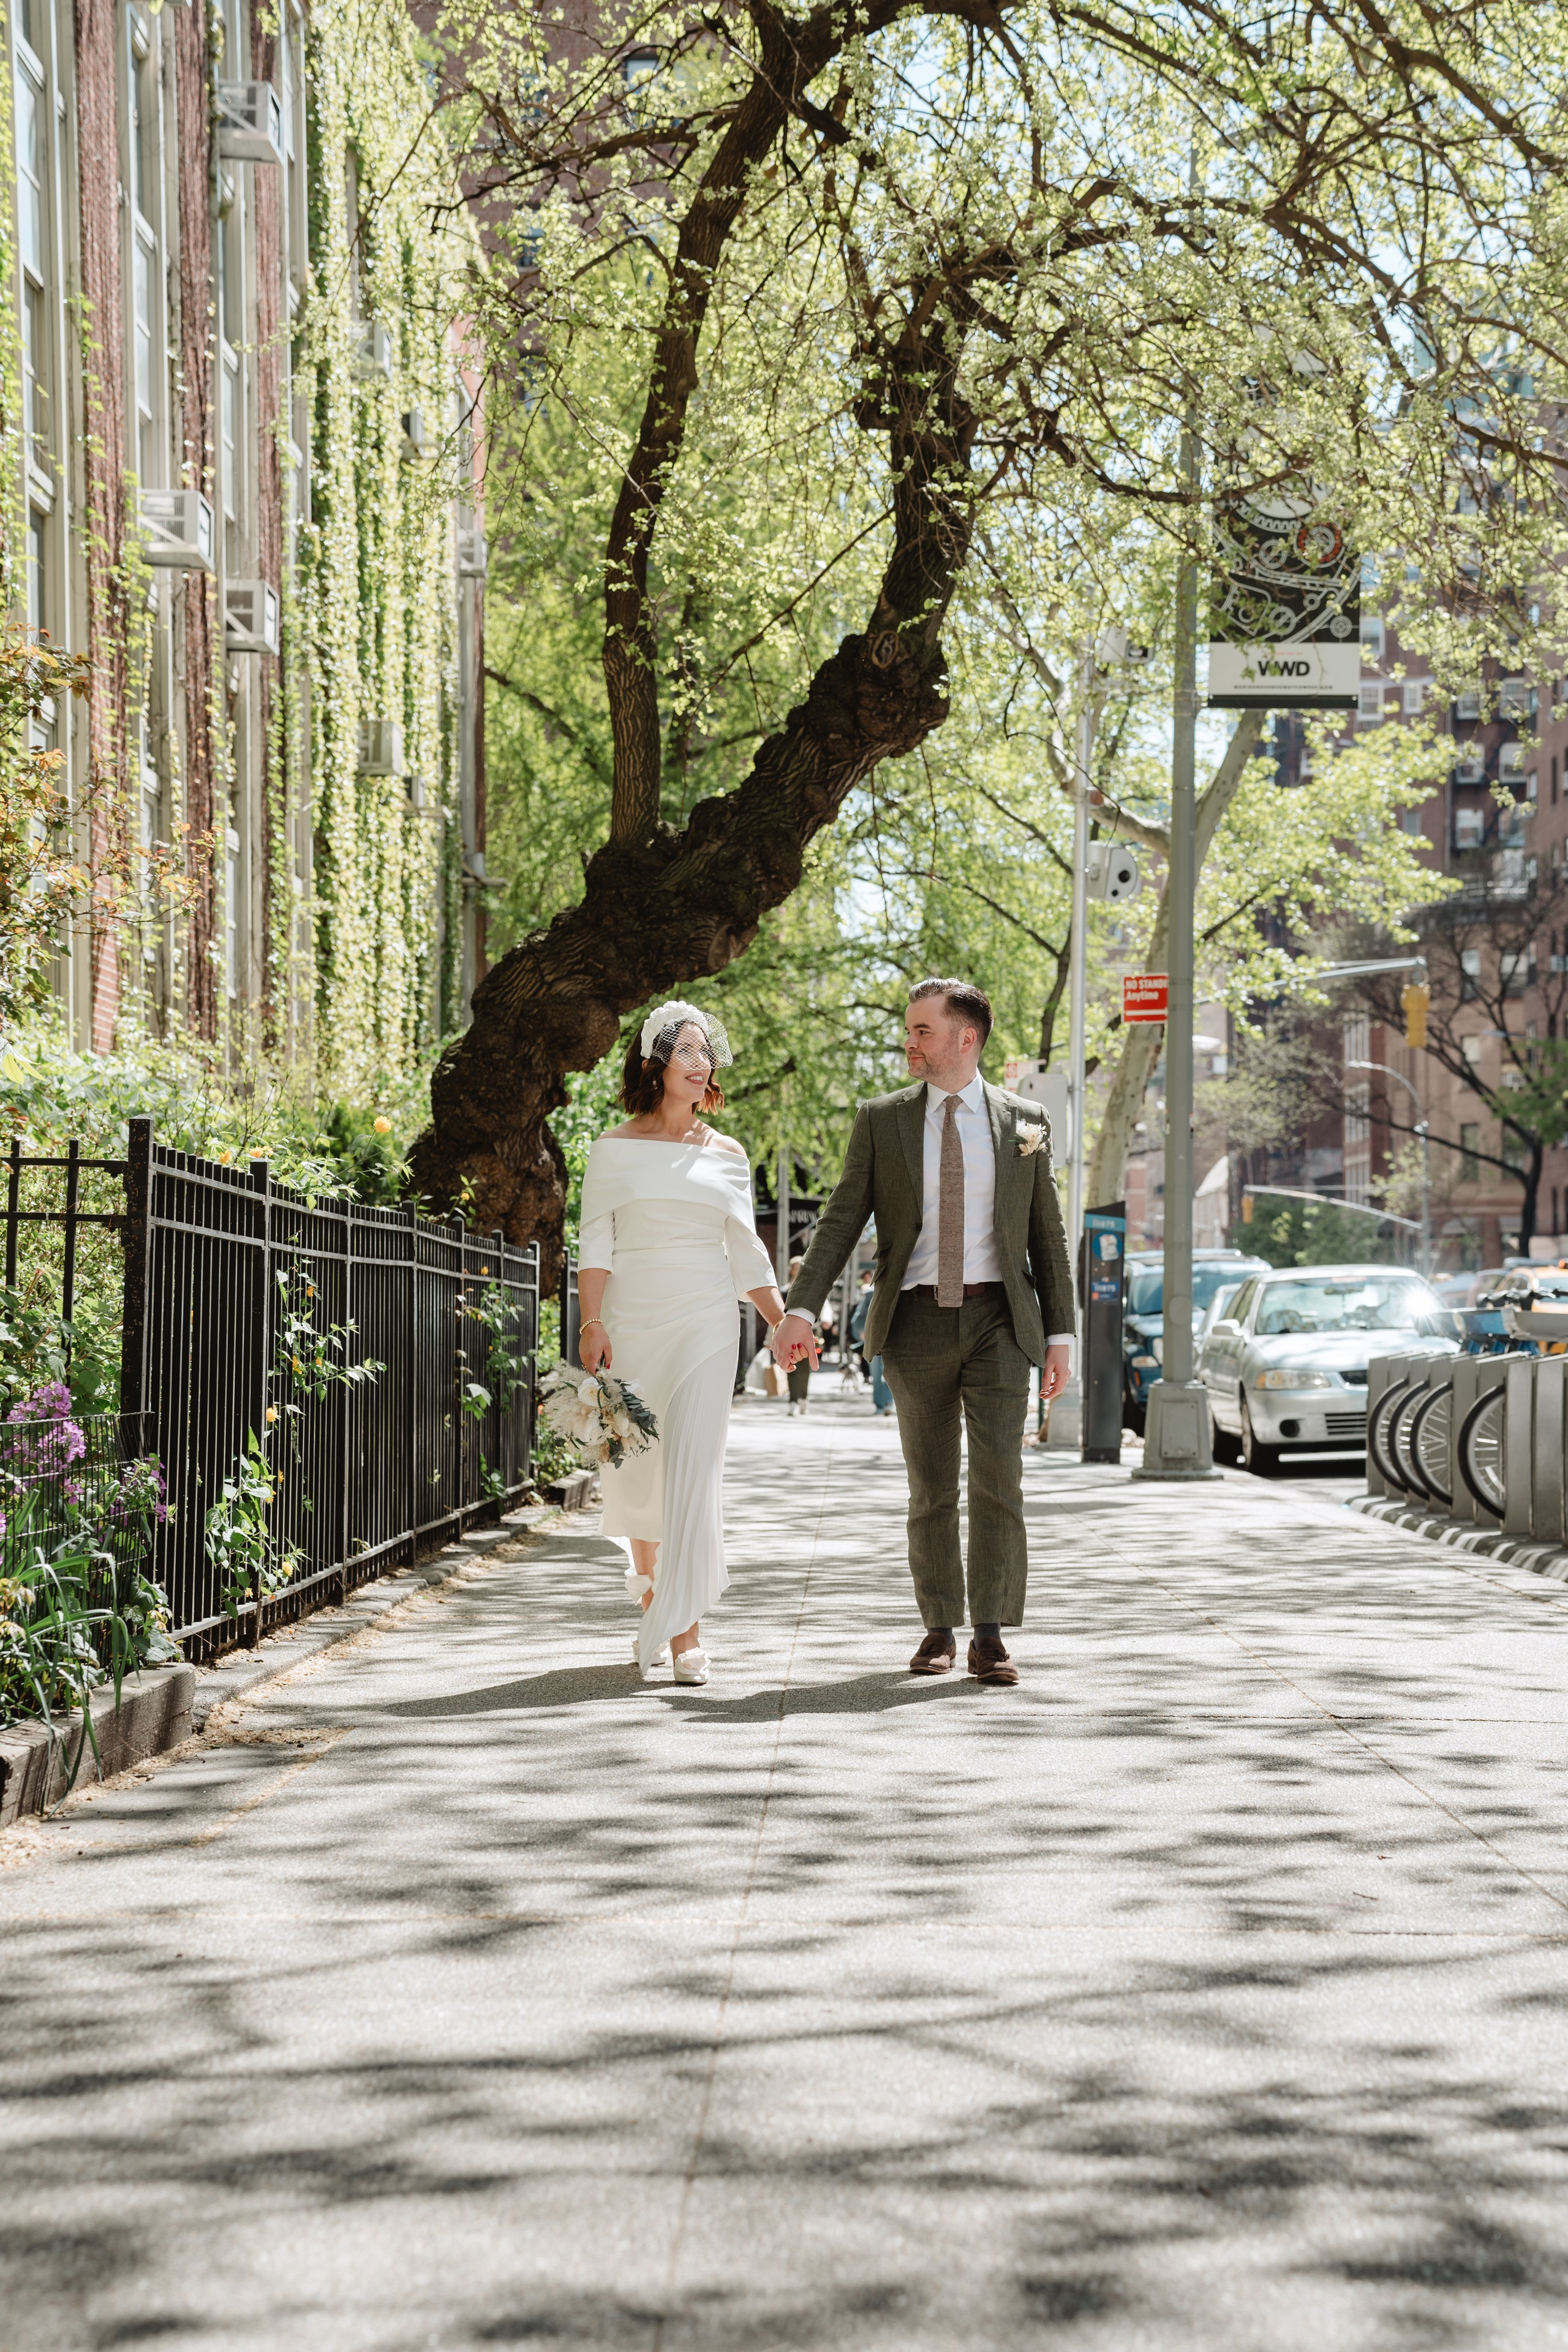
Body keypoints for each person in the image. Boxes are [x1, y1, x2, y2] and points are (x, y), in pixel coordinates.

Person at [774, 979, 1074, 1685]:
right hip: (912, 1321)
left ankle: (991, 1635)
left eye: (921, 1031)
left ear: (964, 1039)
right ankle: (939, 1626)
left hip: (1000, 1318)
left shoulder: (1024, 1121)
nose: (908, 1042)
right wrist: (799, 1306)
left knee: (1000, 1478)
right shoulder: (883, 1120)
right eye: (908, 1030)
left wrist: (1061, 1334)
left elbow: (1047, 1235)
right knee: (931, 1486)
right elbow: (843, 1218)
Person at [578, 1001, 790, 1684]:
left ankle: (683, 1632)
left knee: (692, 1473)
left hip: (707, 1319)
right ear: (655, 1063)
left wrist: (783, 1320)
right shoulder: (612, 1149)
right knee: (639, 1463)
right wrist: (591, 1321)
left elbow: (748, 1255)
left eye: (708, 1055)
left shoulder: (727, 1154)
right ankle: (647, 1577)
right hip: (633, 1316)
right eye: (689, 1053)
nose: (704, 1065)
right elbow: (594, 1243)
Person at [785, 1256, 813, 1414]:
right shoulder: (784, 1290)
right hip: (788, 1335)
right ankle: (793, 1402)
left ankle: (803, 1399)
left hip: (808, 1335)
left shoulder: (812, 1290)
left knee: (804, 1370)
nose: (798, 1271)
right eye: (796, 1268)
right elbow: (777, 1316)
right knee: (791, 1369)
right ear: (791, 1270)